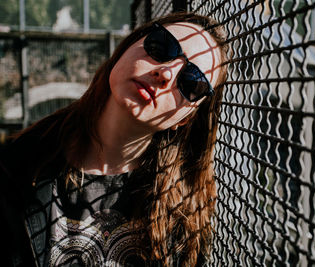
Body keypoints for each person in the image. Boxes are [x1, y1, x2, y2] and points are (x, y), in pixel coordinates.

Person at [0, 12, 228, 267]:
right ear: (127, 47)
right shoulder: (15, 167)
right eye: (162, 46)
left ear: (185, 119)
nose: (165, 73)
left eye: (192, 82)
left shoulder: (186, 217)